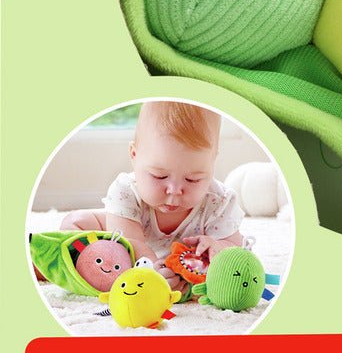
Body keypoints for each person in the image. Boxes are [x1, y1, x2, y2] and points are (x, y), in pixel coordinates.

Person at [61, 101, 245, 294]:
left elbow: (237, 251)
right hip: (128, 229)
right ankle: (83, 265)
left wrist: (218, 247)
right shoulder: (126, 192)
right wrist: (152, 271)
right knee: (74, 224)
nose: (174, 190)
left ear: (212, 162)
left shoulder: (218, 202)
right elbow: (130, 246)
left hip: (185, 258)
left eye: (193, 179)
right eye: (160, 176)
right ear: (134, 155)